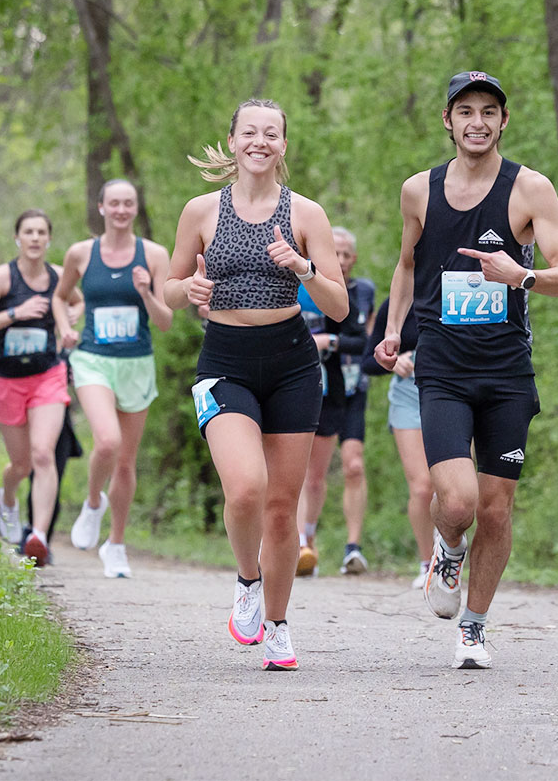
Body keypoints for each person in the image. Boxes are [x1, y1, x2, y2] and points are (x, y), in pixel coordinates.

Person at [375, 71, 558, 669]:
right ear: (448, 120)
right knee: (458, 500)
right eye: (466, 111)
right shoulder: (419, 190)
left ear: (504, 121)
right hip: (441, 366)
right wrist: (393, 330)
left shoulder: (531, 189)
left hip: (507, 372)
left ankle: (475, 625)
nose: (478, 122)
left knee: (496, 507)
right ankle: (447, 547)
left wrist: (520, 275)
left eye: (489, 111)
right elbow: (408, 265)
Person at [164, 98, 347, 671]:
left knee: (280, 509)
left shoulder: (306, 214)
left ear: (283, 145)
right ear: (235, 139)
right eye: (250, 132)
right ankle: (247, 580)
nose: (260, 141)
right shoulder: (200, 211)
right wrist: (187, 292)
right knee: (245, 489)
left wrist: (303, 268)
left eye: (272, 133)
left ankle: (278, 626)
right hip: (226, 361)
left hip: (292, 363)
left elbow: (337, 306)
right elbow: (168, 289)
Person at [54, 179, 173, 578]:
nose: (121, 210)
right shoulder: (80, 253)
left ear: (135, 209)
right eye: (114, 203)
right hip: (93, 359)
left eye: (129, 203)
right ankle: (92, 504)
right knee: (107, 440)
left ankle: (116, 544)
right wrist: (64, 328)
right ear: (102, 207)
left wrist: (146, 293)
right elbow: (60, 296)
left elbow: (166, 321)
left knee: (125, 461)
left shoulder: (154, 255)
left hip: (136, 362)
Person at [0, 209, 80, 566]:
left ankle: (38, 535)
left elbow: (78, 299)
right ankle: (8, 498)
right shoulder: (3, 277)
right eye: (28, 232)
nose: (34, 238)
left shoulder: (59, 276)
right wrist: (16, 313)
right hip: (6, 380)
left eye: (41, 232)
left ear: (48, 239)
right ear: (18, 238)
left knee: (44, 454)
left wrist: (71, 315)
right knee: (22, 464)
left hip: (47, 375)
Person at [295, 227, 376, 576]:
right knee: (306, 474)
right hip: (308, 384)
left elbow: (366, 341)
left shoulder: (363, 292)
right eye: (334, 253)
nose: (340, 260)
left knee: (349, 467)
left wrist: (331, 342)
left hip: (350, 388)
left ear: (353, 258)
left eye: (346, 254)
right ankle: (302, 545)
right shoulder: (302, 285)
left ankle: (351, 547)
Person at [362, 296, 434, 587]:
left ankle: (450, 556)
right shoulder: (394, 305)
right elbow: (370, 361)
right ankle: (427, 563)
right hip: (408, 396)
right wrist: (394, 363)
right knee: (422, 487)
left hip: (452, 389)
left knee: (452, 488)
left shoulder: (451, 289)